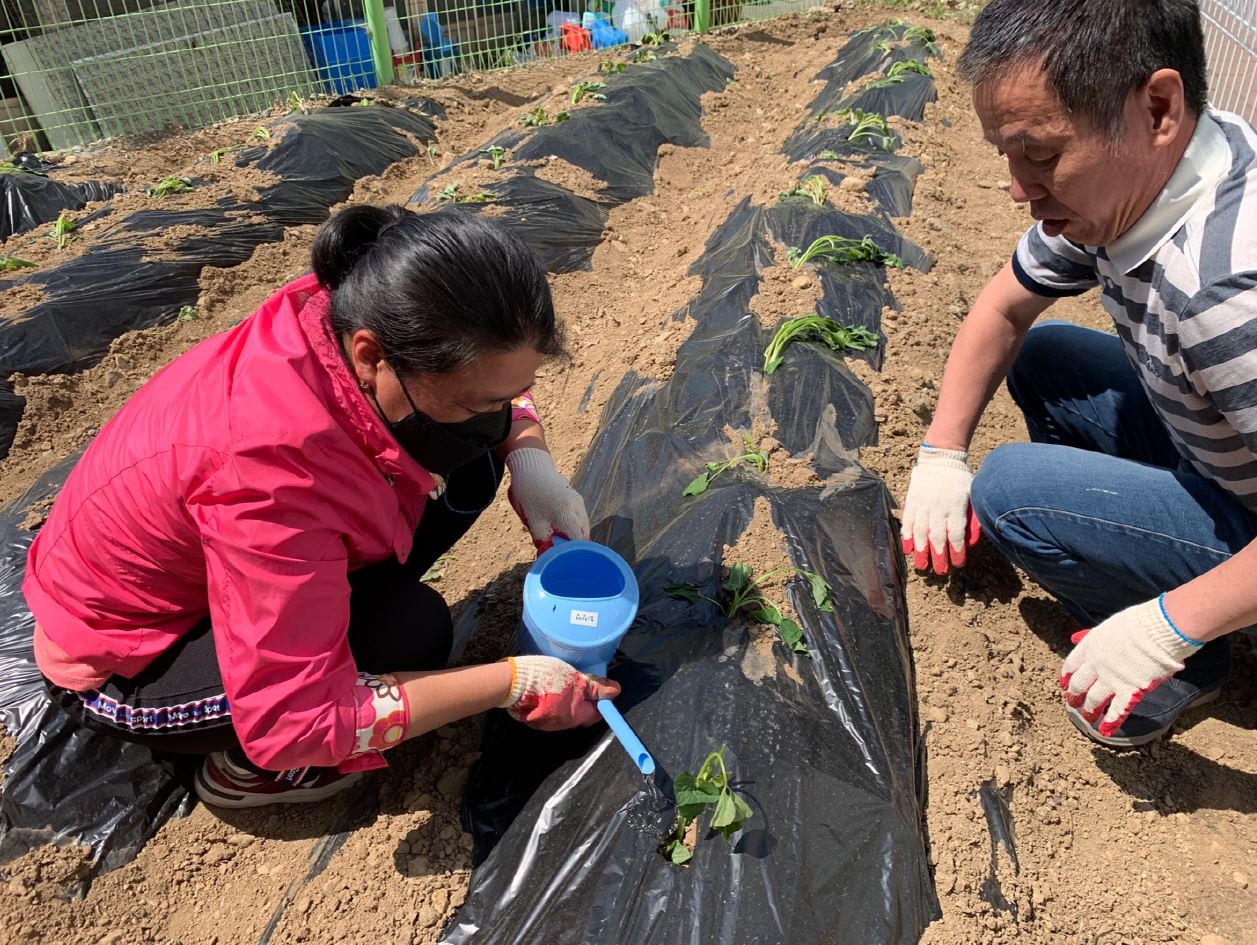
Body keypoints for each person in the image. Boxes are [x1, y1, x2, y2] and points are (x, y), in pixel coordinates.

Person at [25, 204, 620, 808]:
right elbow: (293, 719)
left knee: (477, 460)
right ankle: (240, 772)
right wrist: (512, 681)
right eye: (478, 403)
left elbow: (488, 395)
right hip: (133, 657)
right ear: (370, 357)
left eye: (512, 393)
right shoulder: (270, 477)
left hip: (249, 550)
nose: (497, 412)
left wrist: (528, 456)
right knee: (406, 636)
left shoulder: (353, 305)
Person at [900, 0, 1257, 748]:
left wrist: (1165, 627)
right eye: (1005, 153)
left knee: (1012, 494)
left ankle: (1192, 656)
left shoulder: (1225, 296)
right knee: (1046, 354)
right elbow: (1003, 309)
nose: (1017, 186)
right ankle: (1148, 565)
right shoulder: (1142, 186)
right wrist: (940, 449)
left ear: (1157, 106)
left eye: (1039, 153)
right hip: (1225, 462)